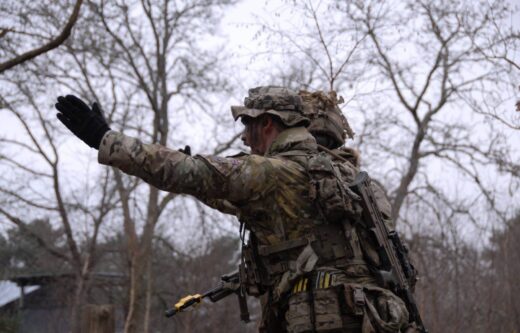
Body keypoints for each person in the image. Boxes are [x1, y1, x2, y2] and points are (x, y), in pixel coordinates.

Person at [55, 86, 410, 332]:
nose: (243, 138)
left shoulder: (272, 173)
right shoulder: (347, 178)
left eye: (248, 125)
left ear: (268, 124)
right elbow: (230, 195)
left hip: (322, 319)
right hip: (371, 318)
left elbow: (191, 175)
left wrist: (106, 139)